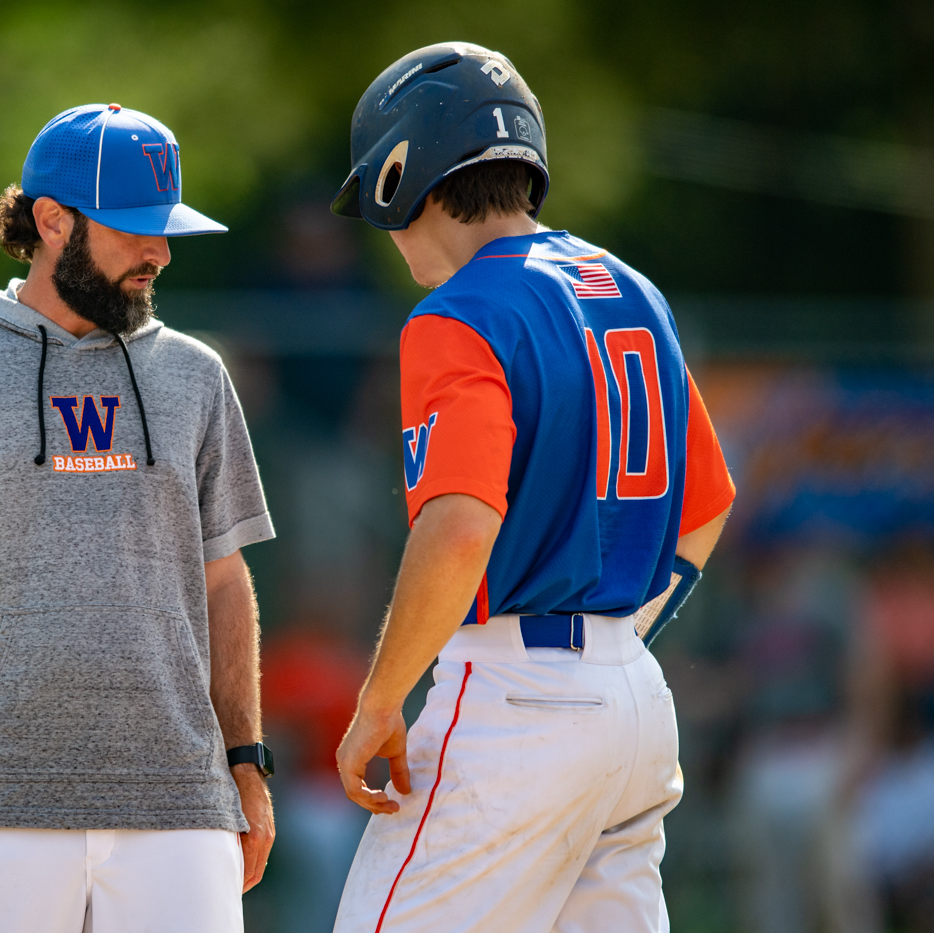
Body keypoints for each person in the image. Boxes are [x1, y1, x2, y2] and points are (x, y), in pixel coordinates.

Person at [0, 103, 277, 933]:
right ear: (52, 220)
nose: (159, 253)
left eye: (165, 230)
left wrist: (246, 762)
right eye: (134, 229)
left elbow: (223, 577)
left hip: (181, 809)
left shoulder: (196, 376)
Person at [326, 43, 736, 932]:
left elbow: (461, 528)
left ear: (407, 175)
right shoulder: (631, 287)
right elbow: (707, 507)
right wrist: (612, 642)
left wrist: (380, 699)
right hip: (634, 703)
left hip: (517, 707)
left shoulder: (460, 312)